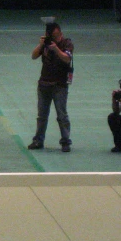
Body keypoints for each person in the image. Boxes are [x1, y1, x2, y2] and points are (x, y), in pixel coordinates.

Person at [28, 22, 74, 152]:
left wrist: (56, 49)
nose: (53, 38)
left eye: (54, 35)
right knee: (41, 115)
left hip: (59, 85)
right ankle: (38, 140)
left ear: (59, 32)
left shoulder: (67, 43)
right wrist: (42, 44)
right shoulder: (46, 44)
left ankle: (65, 142)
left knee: (62, 115)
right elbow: (34, 56)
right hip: (44, 84)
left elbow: (67, 58)